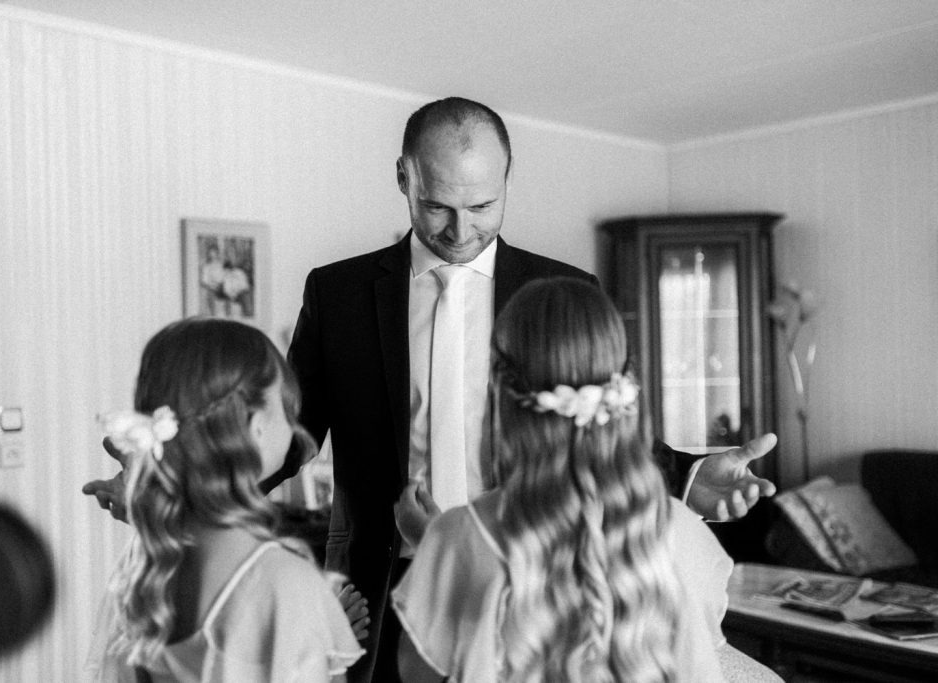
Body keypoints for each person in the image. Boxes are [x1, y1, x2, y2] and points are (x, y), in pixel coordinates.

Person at [86, 96, 776, 682]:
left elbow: (591, 424)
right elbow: (288, 432)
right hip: (380, 587)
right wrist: (179, 482)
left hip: (536, 583)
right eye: (438, 205)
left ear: (507, 180)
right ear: (404, 178)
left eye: (482, 205)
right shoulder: (339, 293)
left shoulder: (562, 289)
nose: (460, 229)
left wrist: (686, 474)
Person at [391, 277, 761, 682]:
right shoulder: (687, 535)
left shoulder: (458, 538)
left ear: (499, 390)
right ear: (624, 387)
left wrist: (435, 552)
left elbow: (417, 674)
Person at [86, 318, 363, 681]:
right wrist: (321, 632)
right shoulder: (286, 585)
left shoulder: (145, 572)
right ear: (256, 426)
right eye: (286, 409)